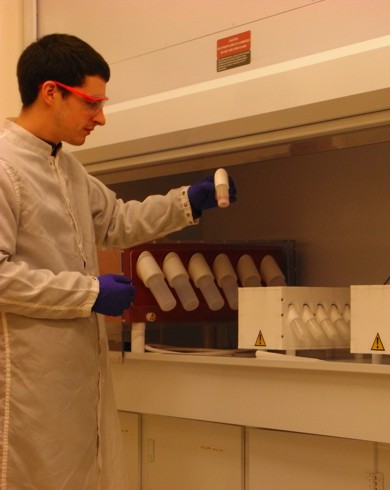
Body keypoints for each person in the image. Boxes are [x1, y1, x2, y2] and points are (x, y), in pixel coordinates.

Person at [0, 33, 234, 489]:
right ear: (51, 92)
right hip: (28, 378)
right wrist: (89, 293)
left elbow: (118, 220)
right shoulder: (5, 168)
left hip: (78, 379)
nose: (101, 118)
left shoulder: (68, 169)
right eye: (92, 103)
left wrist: (188, 201)